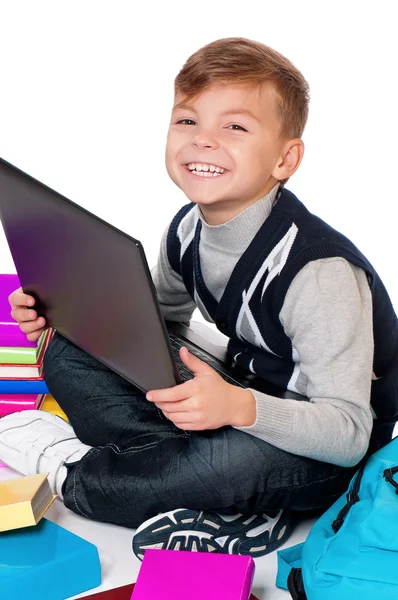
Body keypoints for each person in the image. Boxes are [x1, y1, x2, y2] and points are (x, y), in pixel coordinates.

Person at [1, 38, 398, 560]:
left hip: (320, 443)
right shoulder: (187, 228)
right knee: (67, 346)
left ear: (285, 158)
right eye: (188, 121)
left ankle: (79, 469)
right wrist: (67, 313)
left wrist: (237, 407)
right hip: (239, 390)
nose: (204, 141)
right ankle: (203, 493)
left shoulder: (318, 274)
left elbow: (347, 432)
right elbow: (152, 329)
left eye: (234, 127)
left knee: (217, 467)